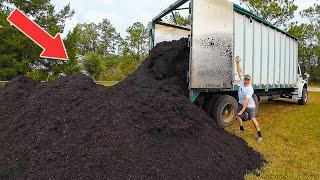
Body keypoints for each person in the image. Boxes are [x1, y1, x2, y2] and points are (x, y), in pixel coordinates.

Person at [235, 56, 263, 143]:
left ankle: (259, 135)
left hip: (249, 106)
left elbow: (246, 102)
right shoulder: (242, 81)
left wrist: (243, 110)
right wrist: (237, 63)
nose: (245, 81)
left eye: (247, 80)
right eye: (245, 80)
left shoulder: (250, 89)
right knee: (237, 116)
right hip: (241, 103)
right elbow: (240, 72)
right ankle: (242, 129)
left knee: (253, 119)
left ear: (250, 81)